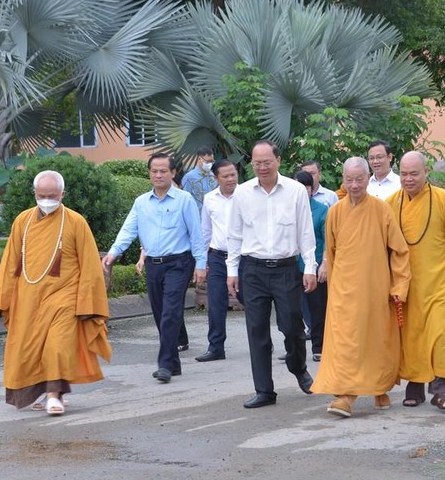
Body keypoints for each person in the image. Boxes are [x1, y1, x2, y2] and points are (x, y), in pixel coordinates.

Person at [0, 170, 111, 415]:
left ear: (62, 194)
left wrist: (87, 303)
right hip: (28, 296)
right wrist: (3, 298)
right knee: (28, 349)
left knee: (57, 345)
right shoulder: (22, 221)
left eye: (52, 195)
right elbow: (10, 263)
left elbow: (89, 265)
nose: (46, 200)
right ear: (34, 193)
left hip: (64, 295)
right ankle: (37, 391)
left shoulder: (76, 221)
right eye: (41, 195)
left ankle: (54, 395)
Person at [312, 157, 410, 417]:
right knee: (346, 342)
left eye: (359, 179)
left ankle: (379, 388)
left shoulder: (381, 209)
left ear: (368, 179)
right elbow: (330, 253)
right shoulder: (335, 211)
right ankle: (346, 394)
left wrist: (399, 285)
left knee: (375, 340)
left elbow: (399, 251)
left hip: (374, 287)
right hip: (343, 289)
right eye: (349, 180)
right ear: (343, 180)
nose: (354, 185)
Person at [386, 152, 445, 411]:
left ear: (426, 172)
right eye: (404, 174)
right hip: (407, 287)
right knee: (412, 340)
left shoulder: (443, 199)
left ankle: (441, 391)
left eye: (414, 174)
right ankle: (415, 390)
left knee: (440, 339)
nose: (408, 179)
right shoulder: (392, 203)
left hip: (440, 284)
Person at [227, 140, 318, 409]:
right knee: (256, 330)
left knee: (292, 326)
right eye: (257, 163)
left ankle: (298, 366)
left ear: (278, 160)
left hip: (286, 269)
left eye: (267, 162)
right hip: (253, 270)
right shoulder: (242, 193)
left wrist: (310, 267)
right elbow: (234, 235)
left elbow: (305, 232)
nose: (262, 167)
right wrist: (232, 271)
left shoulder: (294, 191)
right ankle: (264, 390)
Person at [102, 153, 206, 383]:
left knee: (170, 312)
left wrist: (201, 264)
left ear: (173, 173)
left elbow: (196, 234)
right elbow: (129, 229)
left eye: (163, 171)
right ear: (149, 173)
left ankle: (165, 365)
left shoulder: (184, 199)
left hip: (179, 263)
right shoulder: (141, 202)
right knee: (160, 314)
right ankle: (174, 364)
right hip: (153, 265)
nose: (158, 175)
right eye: (154, 171)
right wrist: (113, 253)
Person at [195, 159, 239, 362]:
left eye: (233, 174)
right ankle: (216, 347)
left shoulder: (246, 195)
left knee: (253, 299)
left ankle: (264, 342)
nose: (231, 179)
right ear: (216, 178)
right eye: (226, 176)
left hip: (244, 257)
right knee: (216, 302)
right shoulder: (210, 199)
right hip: (218, 256)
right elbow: (205, 231)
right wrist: (201, 262)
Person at [294, 171, 329, 362]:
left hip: (315, 266)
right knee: (292, 311)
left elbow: (328, 239)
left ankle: (319, 346)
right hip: (291, 266)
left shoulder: (322, 210)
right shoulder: (287, 209)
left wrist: (324, 264)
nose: (302, 191)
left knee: (317, 309)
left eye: (306, 187)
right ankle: (294, 348)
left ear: (311, 189)